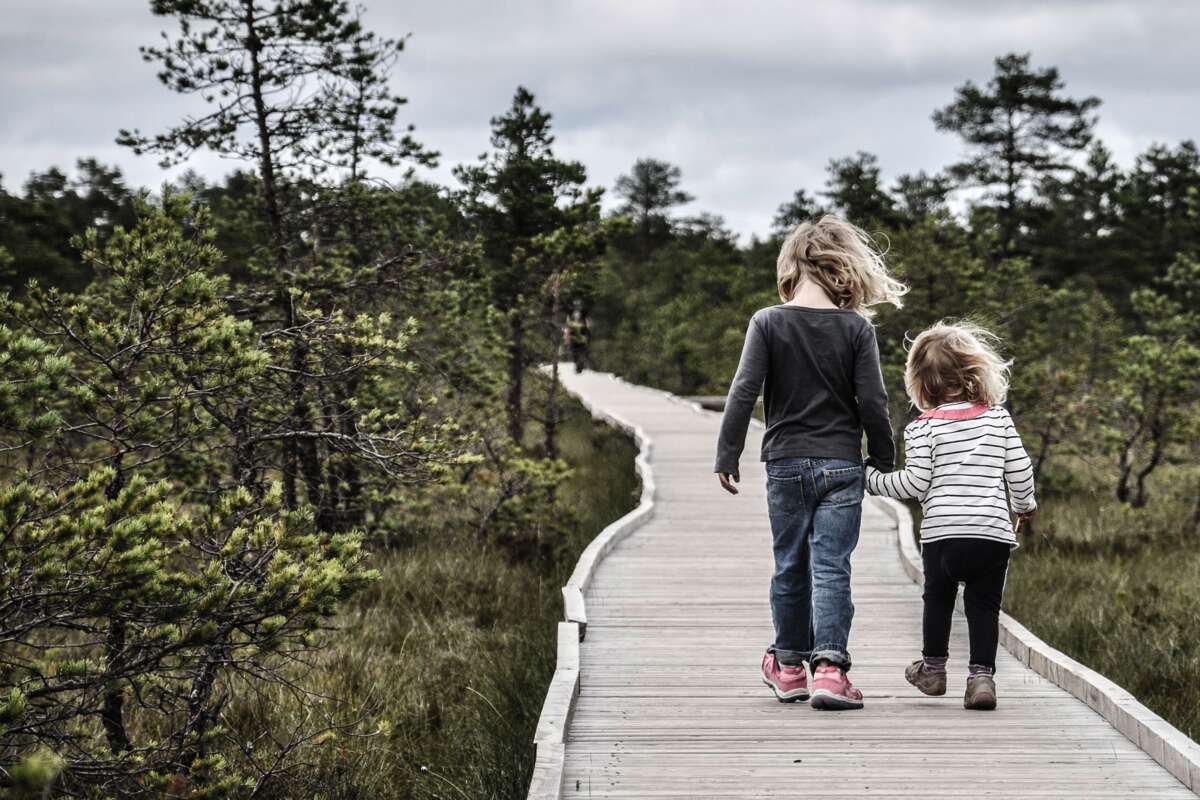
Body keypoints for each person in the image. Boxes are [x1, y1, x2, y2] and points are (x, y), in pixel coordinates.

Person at [714, 215, 906, 711]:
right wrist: (882, 459)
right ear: (842, 267)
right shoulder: (856, 328)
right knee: (831, 566)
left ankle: (789, 667)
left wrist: (728, 453)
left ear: (791, 267)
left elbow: (743, 391)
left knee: (789, 564)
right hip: (842, 465)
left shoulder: (768, 322)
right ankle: (831, 672)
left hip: (784, 462)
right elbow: (874, 401)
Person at [864, 321, 1037, 711]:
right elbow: (1019, 469)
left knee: (938, 599)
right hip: (992, 535)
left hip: (943, 535)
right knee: (984, 605)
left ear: (921, 381)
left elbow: (914, 483)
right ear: (974, 372)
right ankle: (981, 678)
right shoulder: (999, 419)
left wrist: (873, 480)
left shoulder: (921, 429)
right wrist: (1024, 505)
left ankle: (933, 669)